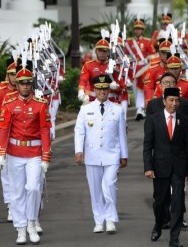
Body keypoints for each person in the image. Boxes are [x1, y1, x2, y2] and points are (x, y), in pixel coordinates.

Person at [0, 60, 52, 245]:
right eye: (22, 82)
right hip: (14, 152)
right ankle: (20, 230)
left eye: (28, 82)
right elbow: (4, 128)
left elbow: (45, 130)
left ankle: (31, 223)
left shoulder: (40, 104)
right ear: (17, 84)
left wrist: (46, 156)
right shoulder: (10, 103)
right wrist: (1, 153)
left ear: (32, 84)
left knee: (34, 188)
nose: (25, 86)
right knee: (17, 192)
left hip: (34, 152)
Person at [74, 74, 128, 234]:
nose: (102, 92)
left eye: (105, 89)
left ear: (108, 90)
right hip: (92, 154)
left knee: (109, 184)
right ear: (94, 90)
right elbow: (79, 132)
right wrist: (79, 151)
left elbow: (122, 134)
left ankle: (110, 219)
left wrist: (124, 155)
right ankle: (99, 220)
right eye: (99, 89)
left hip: (112, 154)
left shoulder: (117, 110)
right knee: (95, 189)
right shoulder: (85, 109)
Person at [143, 87, 188, 247]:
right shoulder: (153, 119)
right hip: (159, 166)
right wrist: (148, 167)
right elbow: (147, 145)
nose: (174, 103)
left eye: (177, 100)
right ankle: (158, 225)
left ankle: (174, 239)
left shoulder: (185, 120)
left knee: (178, 202)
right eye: (171, 100)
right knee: (160, 202)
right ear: (164, 101)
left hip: (179, 168)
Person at [0, 57, 17, 222]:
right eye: (11, 74)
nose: (14, 77)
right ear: (7, 75)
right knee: (6, 170)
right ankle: (10, 204)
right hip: (4, 133)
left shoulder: (27, 89)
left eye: (16, 74)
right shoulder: (0, 91)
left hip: (20, 134)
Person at [78, 38, 111, 103]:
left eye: (104, 51)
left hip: (109, 99)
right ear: (96, 51)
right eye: (100, 51)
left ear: (108, 53)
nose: (102, 53)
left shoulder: (113, 65)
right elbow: (84, 79)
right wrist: (81, 90)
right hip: (92, 98)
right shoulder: (88, 65)